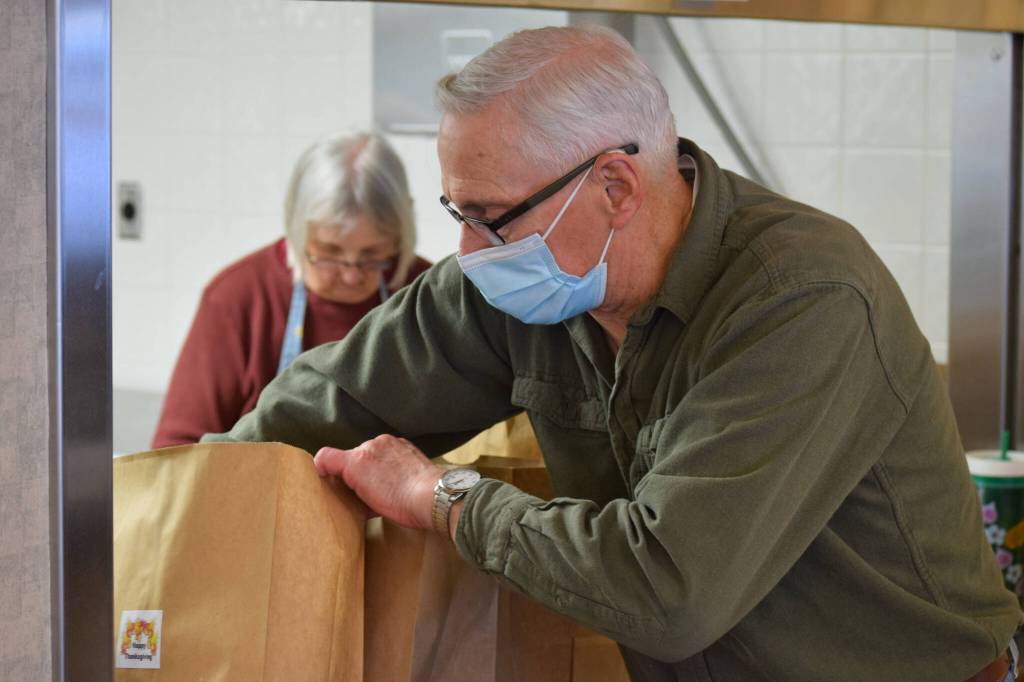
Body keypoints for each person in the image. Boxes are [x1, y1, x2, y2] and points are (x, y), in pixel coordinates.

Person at [204, 25, 1023, 681]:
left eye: (490, 216)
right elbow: (324, 405)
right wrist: (174, 507)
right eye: (455, 208)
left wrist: (442, 494)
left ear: (616, 188)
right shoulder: (518, 281)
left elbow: (670, 590)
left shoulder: (802, 300)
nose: (467, 248)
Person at [152, 132, 431, 448]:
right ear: (297, 229)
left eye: (373, 256)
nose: (352, 276)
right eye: (329, 253)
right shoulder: (238, 299)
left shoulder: (422, 294)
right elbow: (176, 452)